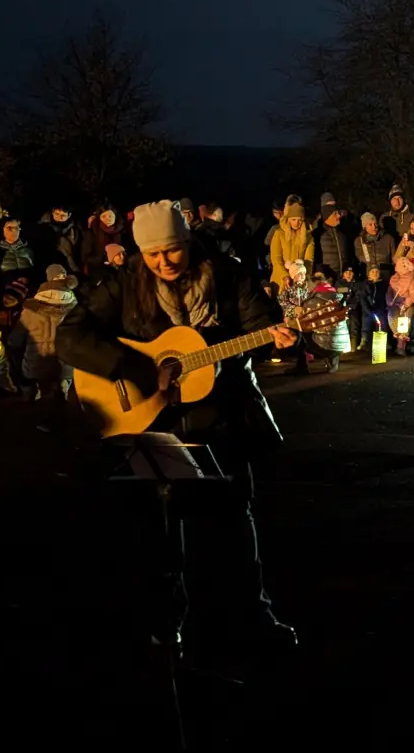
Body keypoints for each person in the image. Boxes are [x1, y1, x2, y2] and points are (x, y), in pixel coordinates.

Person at [57, 200, 297, 655]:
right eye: (152, 255)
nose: (163, 262)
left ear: (187, 242)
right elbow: (71, 337)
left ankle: (252, 618)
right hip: (152, 422)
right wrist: (137, 368)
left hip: (222, 419)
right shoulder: (124, 282)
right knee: (157, 531)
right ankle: (166, 627)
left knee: (235, 527)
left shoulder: (228, 274)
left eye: (172, 251)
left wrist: (278, 337)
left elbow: (260, 327)